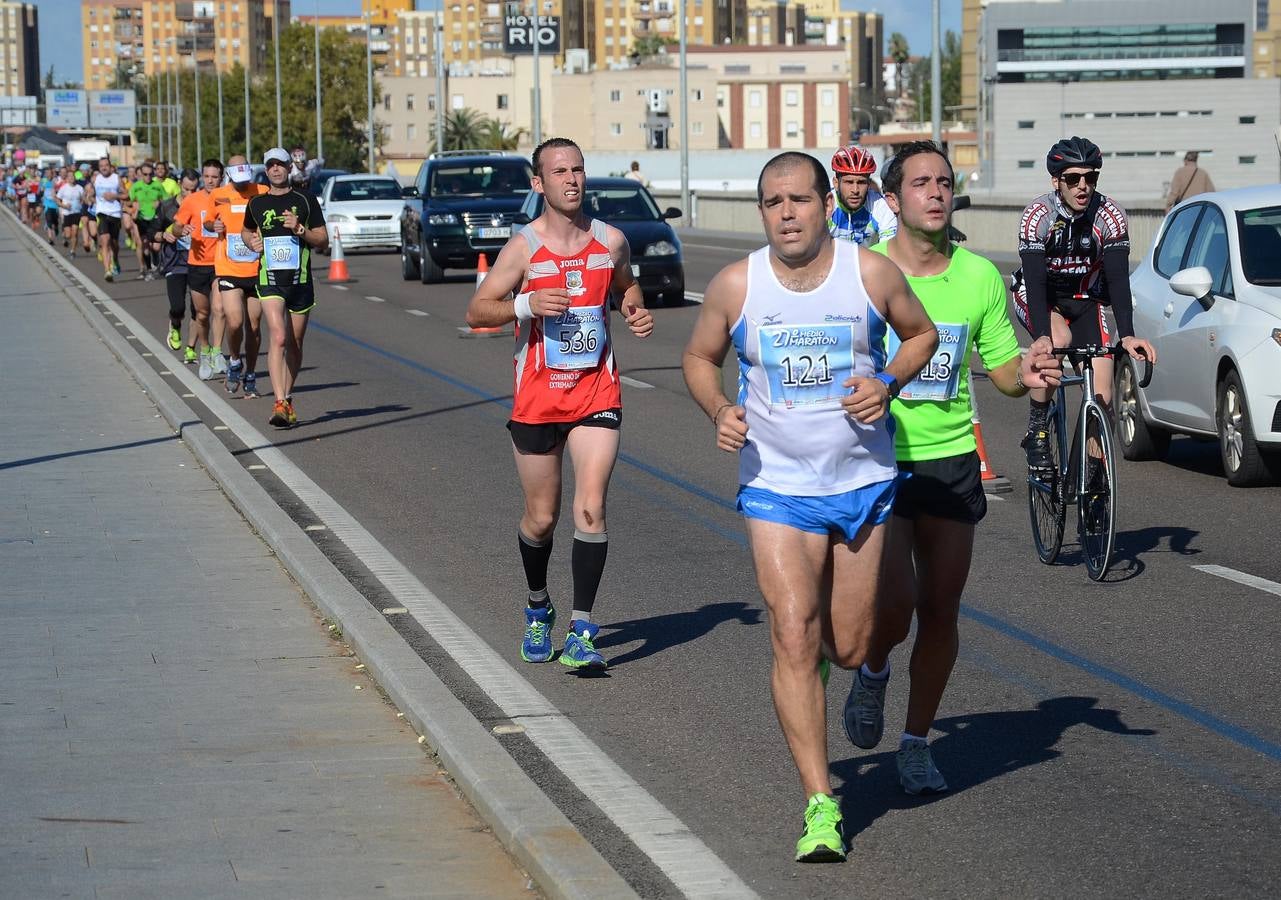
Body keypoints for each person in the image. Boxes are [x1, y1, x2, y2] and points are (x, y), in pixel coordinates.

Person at [682, 151, 938, 863]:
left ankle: (867, 677)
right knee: (792, 631)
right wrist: (719, 408)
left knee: (850, 644)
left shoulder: (870, 273)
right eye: (772, 202)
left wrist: (886, 381)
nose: (786, 212)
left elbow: (920, 336)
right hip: (775, 486)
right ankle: (820, 803)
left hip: (860, 482)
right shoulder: (738, 285)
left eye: (798, 199)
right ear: (760, 211)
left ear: (828, 204)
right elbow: (699, 357)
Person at [843, 141, 1063, 796]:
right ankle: (874, 668)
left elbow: (999, 373)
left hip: (949, 459)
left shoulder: (977, 277)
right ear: (893, 199)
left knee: (940, 607)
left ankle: (914, 744)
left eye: (944, 181)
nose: (935, 192)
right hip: (877, 460)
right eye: (920, 183)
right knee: (896, 605)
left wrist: (1025, 375)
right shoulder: (861, 270)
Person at [465, 137, 654, 672]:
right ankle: (537, 605)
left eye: (578, 169)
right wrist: (525, 303)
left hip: (597, 390)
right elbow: (478, 309)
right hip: (538, 399)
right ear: (538, 183)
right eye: (559, 171)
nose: (571, 179)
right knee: (541, 518)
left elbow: (627, 287)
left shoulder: (611, 241)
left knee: (590, 507)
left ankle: (582, 629)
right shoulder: (524, 248)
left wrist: (635, 310)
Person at [1012, 137, 1157, 471]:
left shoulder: (1110, 215)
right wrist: (1042, 336)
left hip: (1086, 299)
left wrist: (1129, 335)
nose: (1083, 186)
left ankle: (1092, 479)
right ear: (1056, 181)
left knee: (1102, 395)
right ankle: (1037, 433)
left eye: (1090, 178)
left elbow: (1119, 280)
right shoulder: (1039, 216)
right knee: (1056, 342)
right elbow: (1035, 283)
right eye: (1073, 179)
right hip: (1042, 298)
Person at [243, 148, 329, 428]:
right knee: (278, 337)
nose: (276, 170)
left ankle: (287, 398)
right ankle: (279, 402)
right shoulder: (256, 204)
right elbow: (246, 230)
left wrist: (301, 230)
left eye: (281, 165)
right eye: (271, 166)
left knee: (295, 342)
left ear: (290, 167)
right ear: (266, 170)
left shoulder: (305, 200)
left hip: (300, 281)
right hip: (269, 280)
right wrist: (250, 242)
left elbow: (323, 240)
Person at [210, 155, 268, 396]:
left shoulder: (262, 191)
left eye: (246, 181)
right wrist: (213, 227)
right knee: (234, 321)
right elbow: (208, 221)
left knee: (254, 327)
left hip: (256, 268)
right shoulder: (218, 195)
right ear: (230, 175)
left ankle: (251, 373)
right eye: (239, 181)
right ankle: (234, 360)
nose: (243, 186)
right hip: (229, 267)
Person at [175, 158, 227, 379]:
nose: (210, 180)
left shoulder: (226, 199)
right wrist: (182, 229)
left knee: (220, 309)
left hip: (220, 262)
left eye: (214, 177)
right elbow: (176, 226)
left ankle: (217, 351)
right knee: (203, 315)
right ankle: (204, 350)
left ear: (221, 178)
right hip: (197, 263)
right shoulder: (192, 200)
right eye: (206, 176)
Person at [154, 169, 200, 353]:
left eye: (194, 190)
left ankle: (191, 348)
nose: (190, 194)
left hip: (198, 262)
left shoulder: (202, 206)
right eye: (187, 189)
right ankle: (175, 325)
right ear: (180, 184)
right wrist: (164, 235)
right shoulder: (167, 207)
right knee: (178, 307)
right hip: (175, 263)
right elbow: (153, 233)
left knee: (198, 309)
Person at [827, 145, 897, 246]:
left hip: (870, 261)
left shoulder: (879, 205)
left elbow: (890, 249)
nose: (855, 190)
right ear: (836, 183)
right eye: (849, 182)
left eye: (861, 182)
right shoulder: (825, 206)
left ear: (869, 183)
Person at [129, 162, 168, 280]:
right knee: (144, 244)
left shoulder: (157, 186)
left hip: (155, 219)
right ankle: (149, 269)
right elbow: (127, 204)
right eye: (145, 174)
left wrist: (160, 203)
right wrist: (134, 209)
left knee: (156, 247)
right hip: (141, 219)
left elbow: (166, 201)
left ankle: (156, 262)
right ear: (141, 174)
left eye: (150, 174)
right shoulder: (136, 187)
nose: (148, 177)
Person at [92, 157, 124, 282]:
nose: (104, 168)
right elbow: (90, 192)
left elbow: (126, 195)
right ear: (99, 168)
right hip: (102, 212)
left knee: (114, 244)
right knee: (105, 240)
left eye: (106, 165)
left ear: (110, 166)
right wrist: (89, 196)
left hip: (115, 213)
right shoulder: (96, 179)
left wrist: (114, 195)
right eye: (101, 166)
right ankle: (107, 270)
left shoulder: (116, 178)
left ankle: (115, 259)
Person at [55, 169, 86, 258]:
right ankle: (65, 237)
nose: (71, 178)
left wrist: (84, 203)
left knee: (75, 232)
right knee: (68, 234)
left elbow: (83, 198)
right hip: (66, 213)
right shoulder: (64, 188)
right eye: (70, 177)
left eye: (73, 176)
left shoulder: (79, 188)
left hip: (76, 212)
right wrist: (63, 206)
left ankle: (73, 251)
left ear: (75, 177)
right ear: (67, 178)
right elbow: (57, 199)